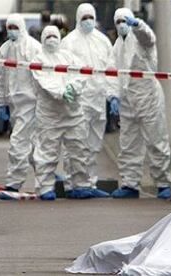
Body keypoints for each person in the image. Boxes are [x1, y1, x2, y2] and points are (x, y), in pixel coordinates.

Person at [31, 26, 109, 199]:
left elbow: (81, 73)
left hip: (73, 113)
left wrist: (72, 87)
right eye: (48, 36)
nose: (51, 39)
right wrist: (61, 91)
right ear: (43, 38)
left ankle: (80, 186)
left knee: (79, 150)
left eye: (54, 36)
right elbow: (44, 81)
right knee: (47, 152)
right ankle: (45, 188)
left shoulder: (68, 56)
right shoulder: (38, 59)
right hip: (50, 116)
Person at [108, 8, 171, 199]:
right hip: (127, 100)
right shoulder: (117, 46)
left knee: (156, 141)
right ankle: (130, 184)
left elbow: (149, 38)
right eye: (118, 21)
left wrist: (138, 25)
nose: (121, 25)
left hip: (148, 97)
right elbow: (112, 72)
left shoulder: (140, 38)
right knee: (128, 144)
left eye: (124, 21)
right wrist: (112, 96)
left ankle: (163, 183)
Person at [60, 3, 114, 188]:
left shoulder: (103, 41)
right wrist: (65, 90)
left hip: (98, 99)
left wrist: (112, 94)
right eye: (84, 18)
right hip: (78, 99)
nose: (88, 21)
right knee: (75, 142)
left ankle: (89, 182)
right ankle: (71, 182)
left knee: (94, 143)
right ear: (78, 18)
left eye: (91, 17)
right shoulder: (68, 42)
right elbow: (62, 68)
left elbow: (111, 69)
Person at [0, 14, 42, 200]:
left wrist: (42, 102)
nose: (12, 30)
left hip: (31, 102)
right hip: (14, 104)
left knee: (18, 142)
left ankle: (13, 184)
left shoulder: (33, 47)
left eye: (15, 27)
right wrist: (1, 102)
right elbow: (0, 77)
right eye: (9, 27)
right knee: (32, 144)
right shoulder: (4, 49)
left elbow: (40, 76)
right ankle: (46, 180)